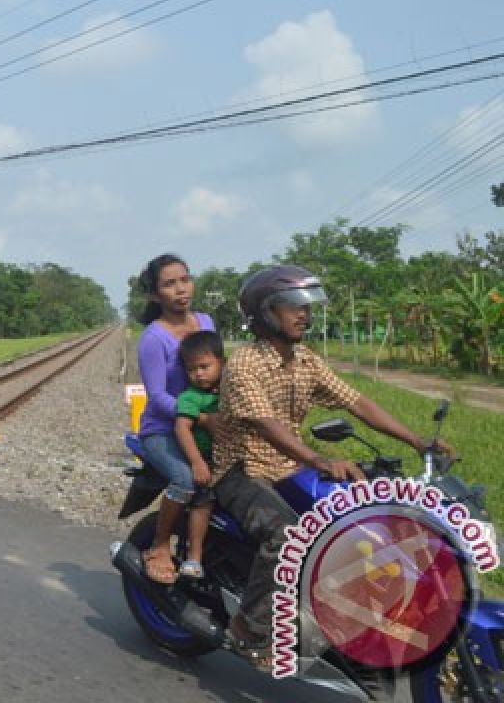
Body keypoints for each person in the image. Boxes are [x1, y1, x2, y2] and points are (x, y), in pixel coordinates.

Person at [212, 265, 455, 669]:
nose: (304, 314)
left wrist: (417, 441)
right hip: (243, 469)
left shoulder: (305, 359)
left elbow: (356, 402)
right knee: (288, 536)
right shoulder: (244, 364)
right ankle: (248, 628)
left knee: (353, 516)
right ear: (266, 312)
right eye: (293, 306)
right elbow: (266, 425)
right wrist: (320, 459)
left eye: (306, 306)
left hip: (289, 464)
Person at [133, 254, 216, 585]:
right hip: (162, 430)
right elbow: (157, 398)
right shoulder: (154, 338)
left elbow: (217, 367)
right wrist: (201, 417)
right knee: (185, 479)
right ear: (156, 295)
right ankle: (159, 544)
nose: (181, 289)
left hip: (206, 421)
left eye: (185, 279)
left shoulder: (206, 321)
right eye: (170, 284)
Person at [171, 330, 225, 579]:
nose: (199, 374)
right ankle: (195, 558)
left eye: (205, 366)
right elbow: (182, 428)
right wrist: (197, 463)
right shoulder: (190, 397)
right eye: (192, 369)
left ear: (221, 362)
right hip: (204, 457)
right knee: (203, 502)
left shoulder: (231, 389)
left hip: (229, 457)